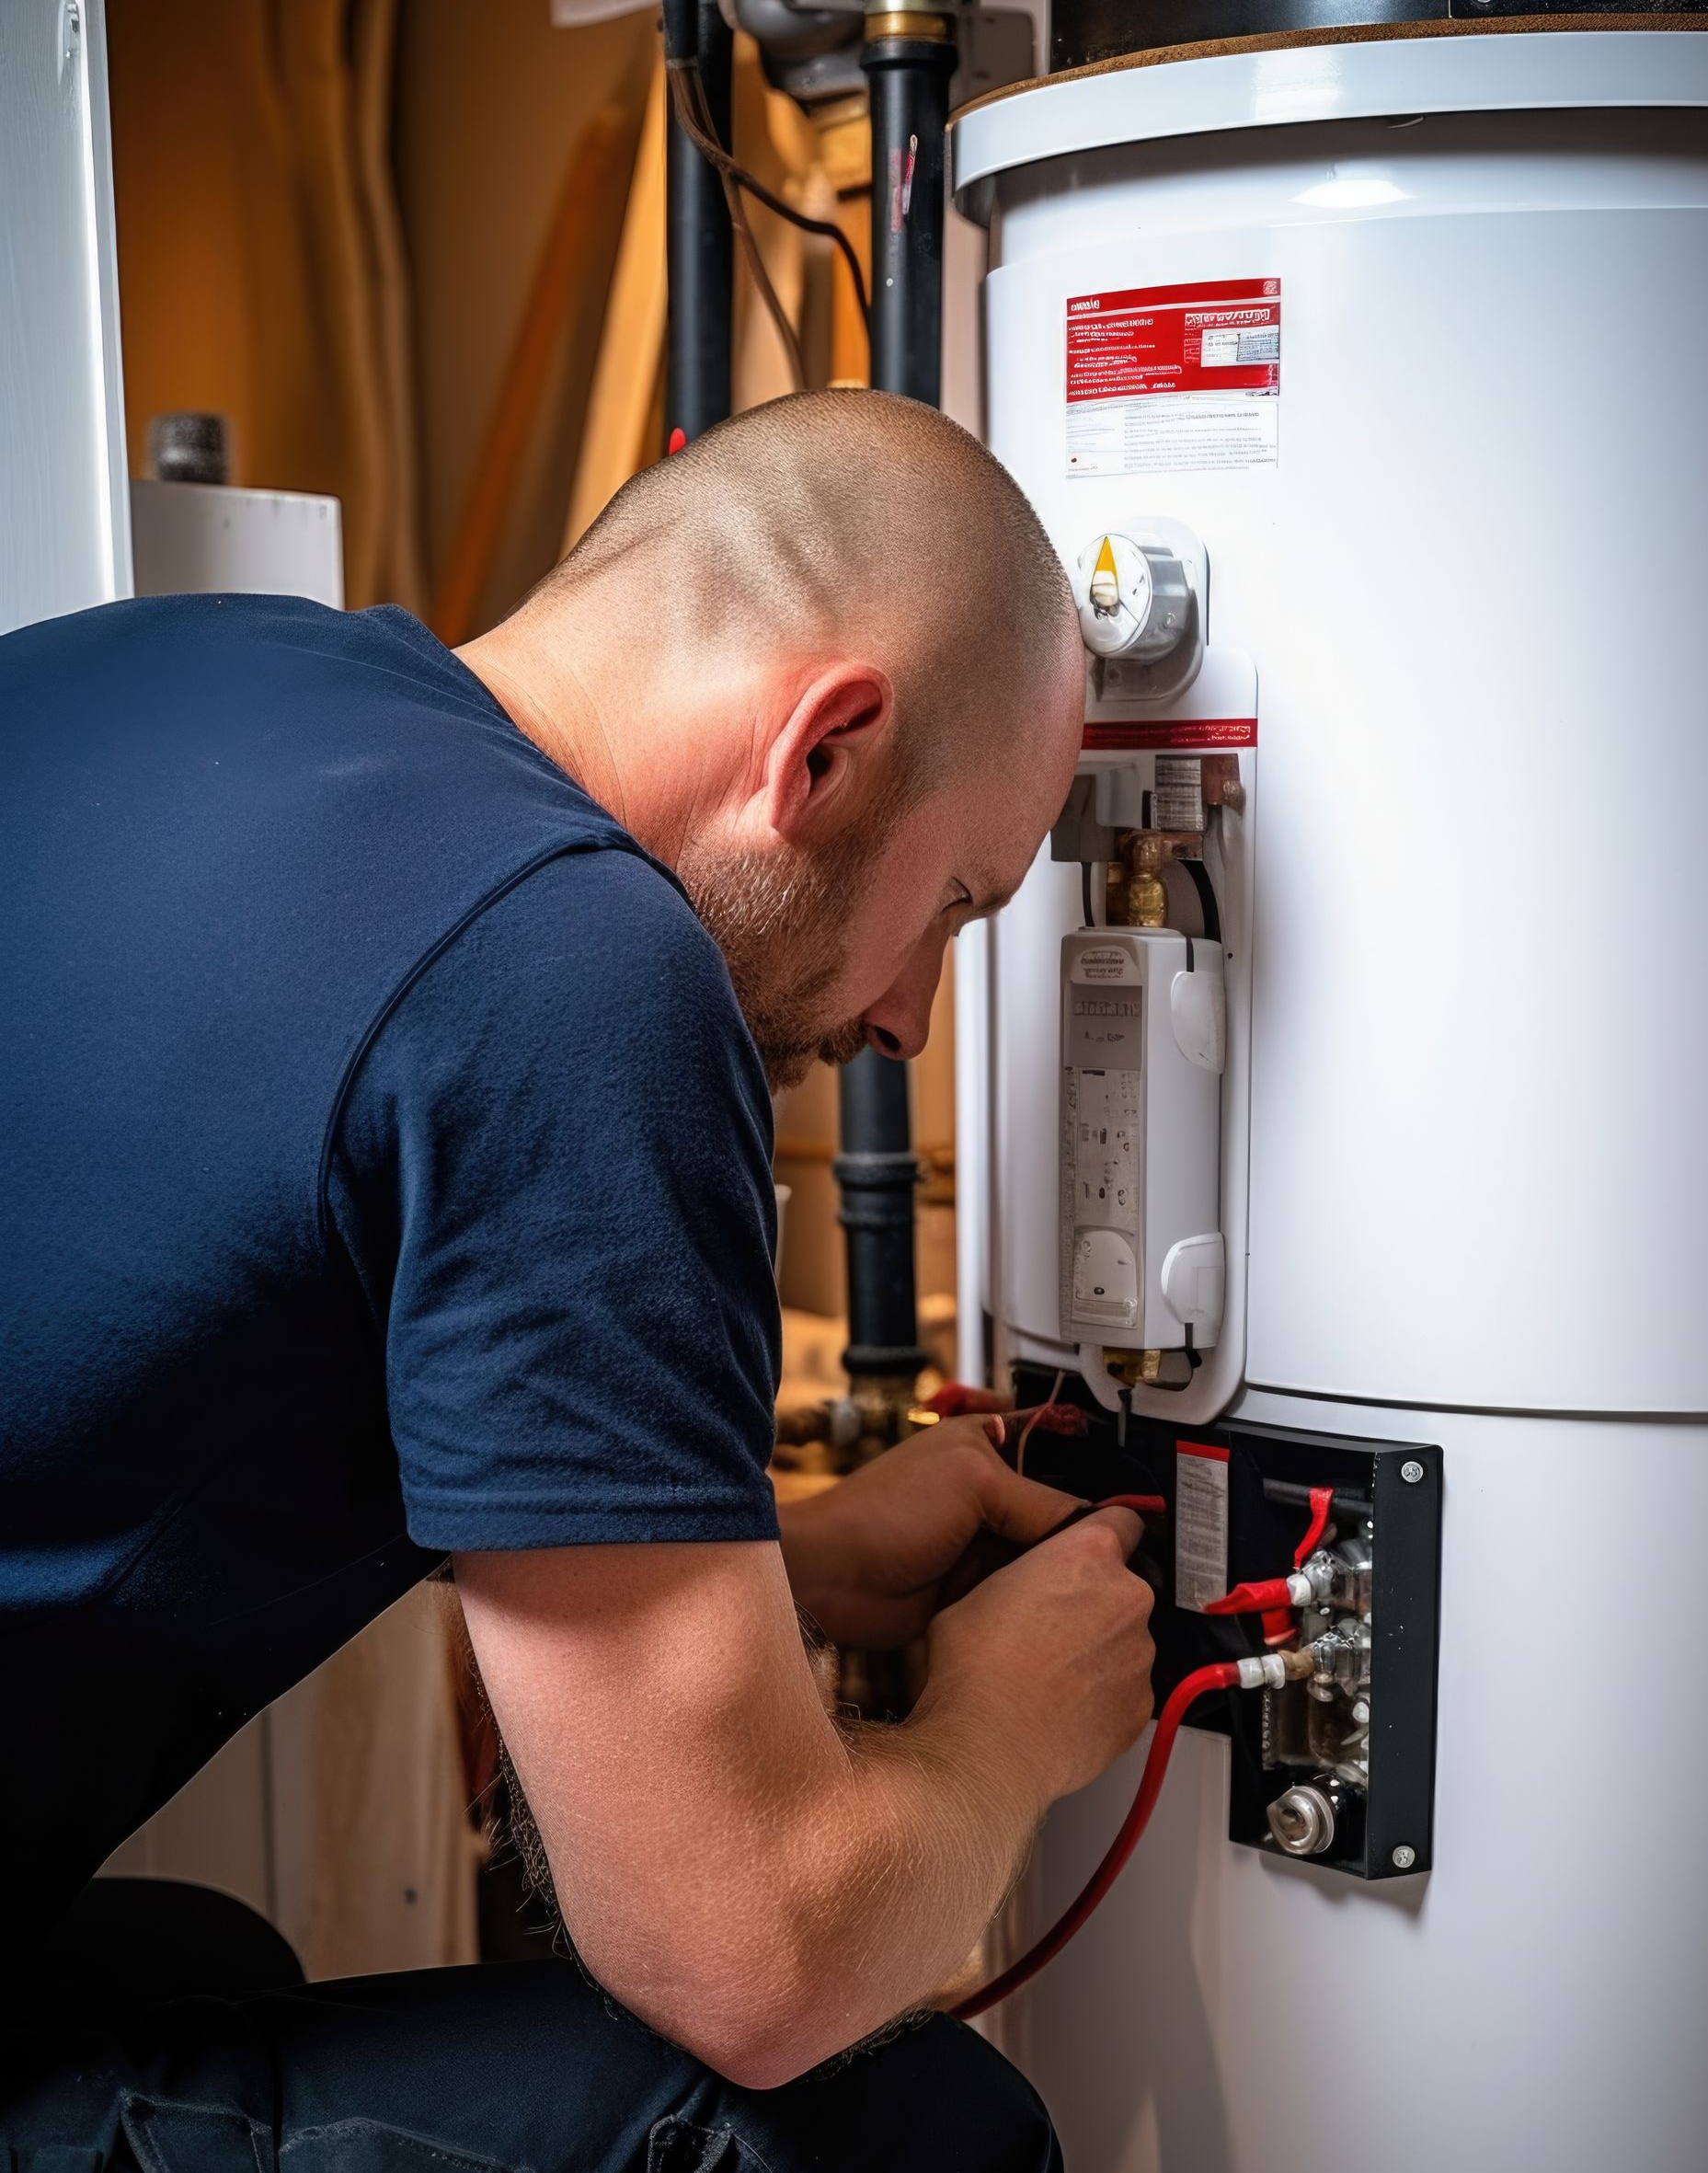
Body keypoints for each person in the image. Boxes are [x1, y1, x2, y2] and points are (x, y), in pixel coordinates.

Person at [0, 390, 1155, 2171]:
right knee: (896, 2129)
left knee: (190, 1963)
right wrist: (999, 1738)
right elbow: (750, 1959)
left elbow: (132, 1344)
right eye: (956, 904)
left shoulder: (145, 669)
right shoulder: (568, 972)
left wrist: (785, 1547)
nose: (905, 1019)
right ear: (824, 747)